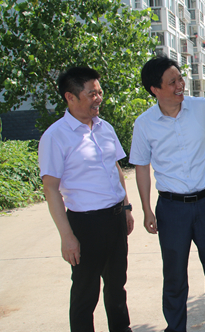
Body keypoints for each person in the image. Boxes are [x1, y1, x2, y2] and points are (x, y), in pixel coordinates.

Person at [129, 57, 205, 332]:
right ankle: (175, 328)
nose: (180, 85)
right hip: (171, 209)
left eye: (180, 78)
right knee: (174, 275)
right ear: (155, 89)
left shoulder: (200, 107)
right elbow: (141, 167)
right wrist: (146, 209)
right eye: (172, 82)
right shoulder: (144, 123)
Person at [38, 67, 134, 332]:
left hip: (115, 219)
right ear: (70, 97)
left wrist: (126, 207)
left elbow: (116, 169)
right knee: (85, 291)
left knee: (117, 285)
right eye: (92, 94)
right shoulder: (55, 136)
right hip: (85, 224)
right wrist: (67, 236)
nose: (98, 98)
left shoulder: (105, 128)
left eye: (100, 92)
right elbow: (51, 189)